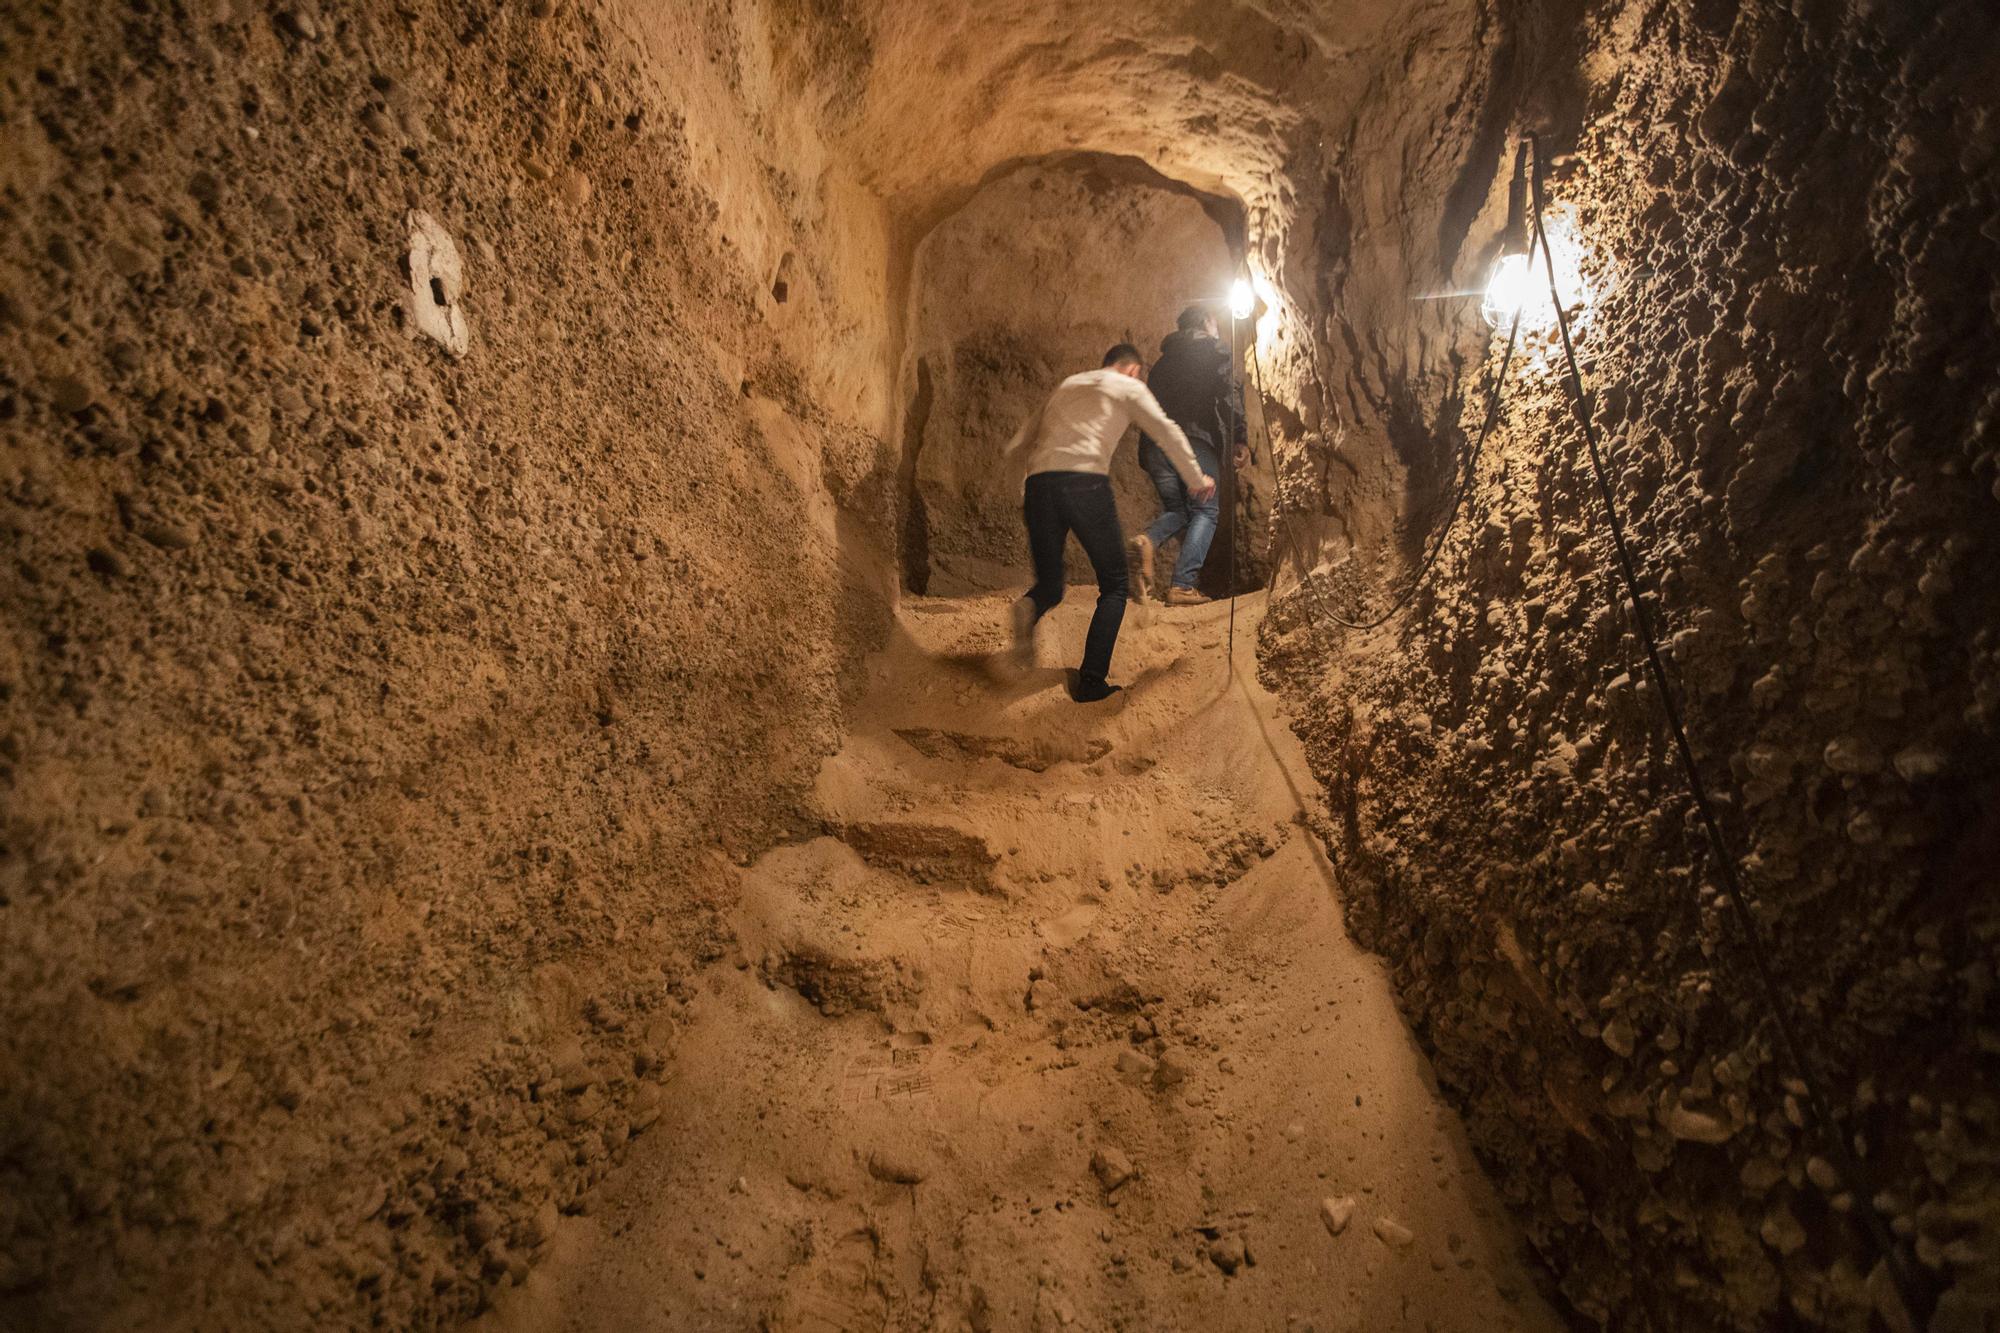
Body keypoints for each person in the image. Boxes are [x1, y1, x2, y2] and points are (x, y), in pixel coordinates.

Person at [1002, 344, 1215, 702]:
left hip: (1040, 484)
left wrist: (1022, 489)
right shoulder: (1127, 385)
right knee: (1115, 584)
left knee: (1052, 584)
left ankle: (1031, 606)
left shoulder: (1068, 384)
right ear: (1132, 370)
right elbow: (1166, 430)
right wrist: (1196, 478)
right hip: (1084, 482)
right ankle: (1090, 681)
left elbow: (1018, 443)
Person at [1130, 305, 1251, 605]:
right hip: (1194, 440)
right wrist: (1239, 437)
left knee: (1179, 511)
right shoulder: (1214, 350)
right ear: (1208, 322)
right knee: (1206, 510)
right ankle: (1183, 585)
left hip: (1155, 447)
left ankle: (1148, 541)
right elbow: (1227, 393)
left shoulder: (1161, 364)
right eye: (1216, 323)